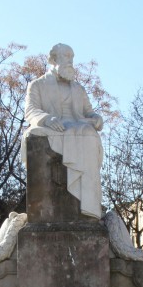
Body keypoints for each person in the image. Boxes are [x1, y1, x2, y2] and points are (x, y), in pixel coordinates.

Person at [23, 43, 104, 219]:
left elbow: (89, 111)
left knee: (90, 134)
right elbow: (30, 110)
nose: (70, 61)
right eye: (66, 56)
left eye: (72, 58)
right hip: (52, 125)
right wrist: (47, 119)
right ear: (53, 59)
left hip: (76, 126)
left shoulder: (78, 89)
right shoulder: (37, 85)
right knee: (34, 134)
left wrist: (97, 118)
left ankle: (89, 208)